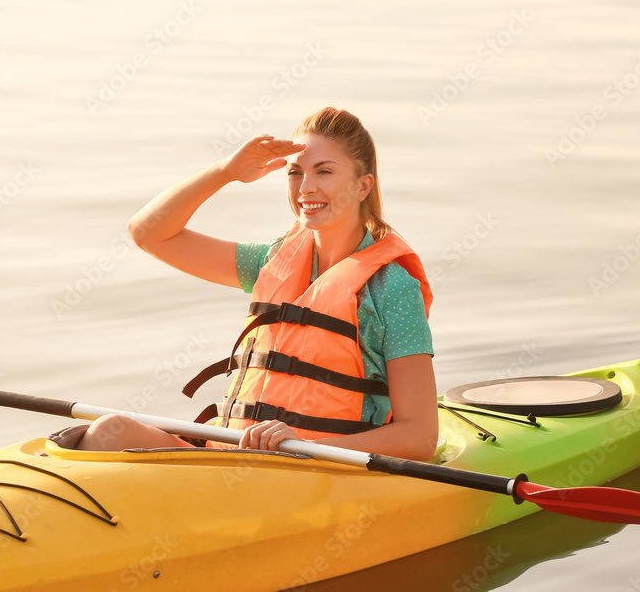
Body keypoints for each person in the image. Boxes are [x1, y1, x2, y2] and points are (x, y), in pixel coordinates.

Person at [75, 107, 438, 461]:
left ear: (363, 186)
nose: (305, 188)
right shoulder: (271, 262)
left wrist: (304, 446)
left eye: (324, 171)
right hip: (237, 458)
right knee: (112, 430)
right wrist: (225, 171)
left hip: (320, 471)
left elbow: (419, 436)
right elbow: (148, 233)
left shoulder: (391, 289)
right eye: (295, 173)